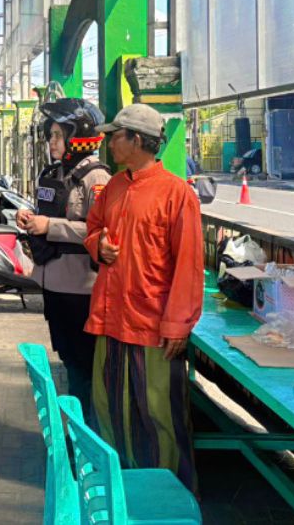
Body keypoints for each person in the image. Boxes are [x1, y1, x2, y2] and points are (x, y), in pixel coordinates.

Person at [83, 103, 204, 493]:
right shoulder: (114, 187)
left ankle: (168, 498)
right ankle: (119, 490)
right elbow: (93, 229)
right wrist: (98, 245)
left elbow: (189, 264)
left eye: (115, 136)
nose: (109, 143)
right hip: (110, 319)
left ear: (136, 140)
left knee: (158, 415)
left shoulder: (177, 194)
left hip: (153, 325)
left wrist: (178, 324)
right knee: (108, 409)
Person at [16, 97, 111, 417]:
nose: (52, 142)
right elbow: (48, 212)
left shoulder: (97, 178)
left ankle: (87, 430)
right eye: (51, 135)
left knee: (84, 365)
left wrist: (50, 226)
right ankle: (78, 424)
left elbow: (103, 232)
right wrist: (31, 218)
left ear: (79, 136)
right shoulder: (54, 173)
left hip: (81, 287)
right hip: (53, 282)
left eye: (59, 135)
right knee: (69, 359)